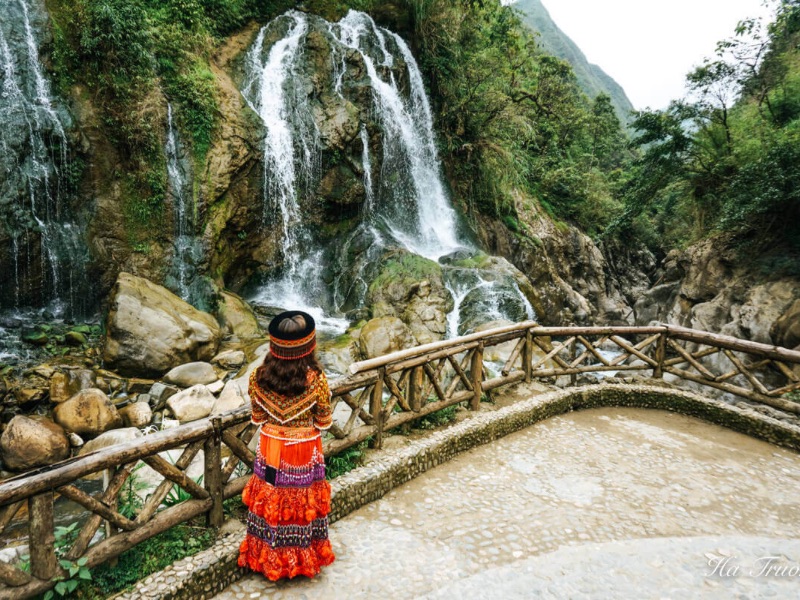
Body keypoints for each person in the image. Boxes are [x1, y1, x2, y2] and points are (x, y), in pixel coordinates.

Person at [238, 310, 335, 580]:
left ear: (273, 346)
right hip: (303, 450)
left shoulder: (257, 378)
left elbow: (257, 417)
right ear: (309, 347)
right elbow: (324, 421)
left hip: (270, 447)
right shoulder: (316, 381)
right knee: (301, 501)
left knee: (270, 496)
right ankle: (302, 557)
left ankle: (265, 555)